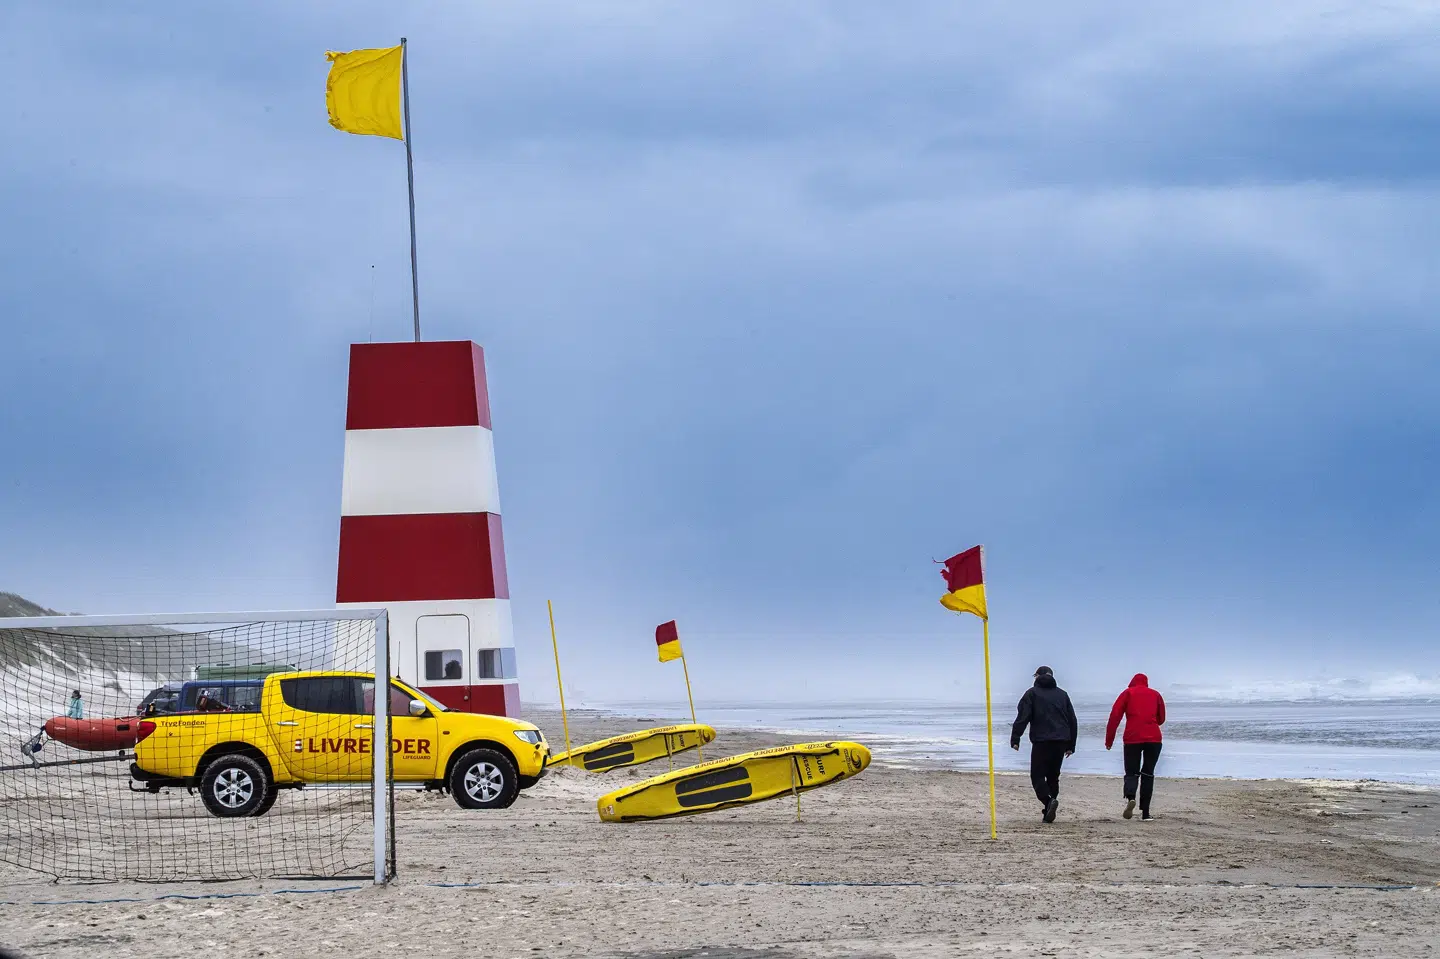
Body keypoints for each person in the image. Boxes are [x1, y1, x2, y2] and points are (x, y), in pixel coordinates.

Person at [1011, 665, 1078, 823]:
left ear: (1038, 677)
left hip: (1041, 741)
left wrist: (1015, 738)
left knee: (1037, 775)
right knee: (1053, 777)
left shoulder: (1031, 694)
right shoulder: (1062, 695)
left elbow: (1023, 716)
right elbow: (1072, 721)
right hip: (1061, 741)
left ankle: (1048, 802)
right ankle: (1050, 806)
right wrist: (1071, 745)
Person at [1105, 673, 1166, 821]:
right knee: (1148, 773)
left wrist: (1109, 740)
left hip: (1133, 738)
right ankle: (1146, 813)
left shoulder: (1127, 693)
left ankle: (1131, 797)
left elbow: (1115, 716)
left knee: (1131, 772)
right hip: (1154, 739)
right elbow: (1161, 718)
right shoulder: (1156, 694)